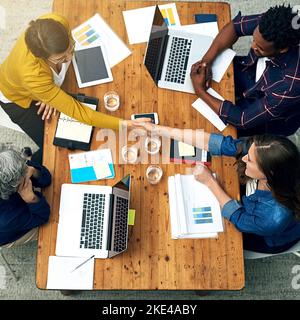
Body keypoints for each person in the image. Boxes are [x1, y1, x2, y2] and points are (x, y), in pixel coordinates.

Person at [0, 13, 148, 164]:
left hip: (39, 87)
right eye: (61, 58)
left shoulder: (57, 22)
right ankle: (27, 166)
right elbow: (79, 111)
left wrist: (50, 95)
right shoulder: (32, 75)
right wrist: (125, 124)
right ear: (42, 58)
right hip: (17, 99)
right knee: (52, 146)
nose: (70, 58)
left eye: (70, 49)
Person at [141, 122, 300, 254]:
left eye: (249, 160)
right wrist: (159, 130)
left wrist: (210, 182)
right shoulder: (267, 151)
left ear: (269, 173)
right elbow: (220, 143)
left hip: (265, 237)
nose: (244, 158)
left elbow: (238, 218)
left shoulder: (272, 218)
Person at [190, 4, 300, 137]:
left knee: (206, 128)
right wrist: (205, 63)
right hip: (248, 70)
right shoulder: (273, 24)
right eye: (254, 40)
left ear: (282, 49)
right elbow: (235, 26)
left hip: (264, 111)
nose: (253, 46)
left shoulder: (290, 85)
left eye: (260, 47)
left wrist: (200, 91)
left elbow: (242, 119)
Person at [0, 146, 51, 247]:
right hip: (6, 229)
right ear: (15, 188)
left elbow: (47, 178)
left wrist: (34, 171)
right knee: (50, 228)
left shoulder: (11, 164)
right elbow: (43, 216)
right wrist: (32, 199)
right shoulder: (7, 220)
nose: (27, 175)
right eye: (25, 179)